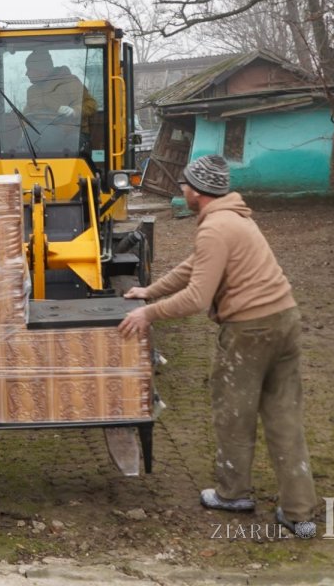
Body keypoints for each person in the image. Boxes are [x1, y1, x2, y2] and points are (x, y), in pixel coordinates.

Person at [118, 154, 319, 539]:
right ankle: (299, 513)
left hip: (250, 329)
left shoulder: (215, 229)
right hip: (285, 319)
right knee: (284, 416)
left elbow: (196, 297)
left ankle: (232, 493)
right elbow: (193, 266)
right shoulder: (235, 218)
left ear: (196, 191)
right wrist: (149, 290)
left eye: (184, 185)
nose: (181, 190)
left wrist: (149, 314)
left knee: (233, 412)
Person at [23, 49, 97, 124]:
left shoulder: (69, 82)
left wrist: (74, 111)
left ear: (43, 70)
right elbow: (26, 115)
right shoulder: (32, 91)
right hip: (38, 132)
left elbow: (91, 105)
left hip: (72, 132)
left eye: (29, 69)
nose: (26, 73)